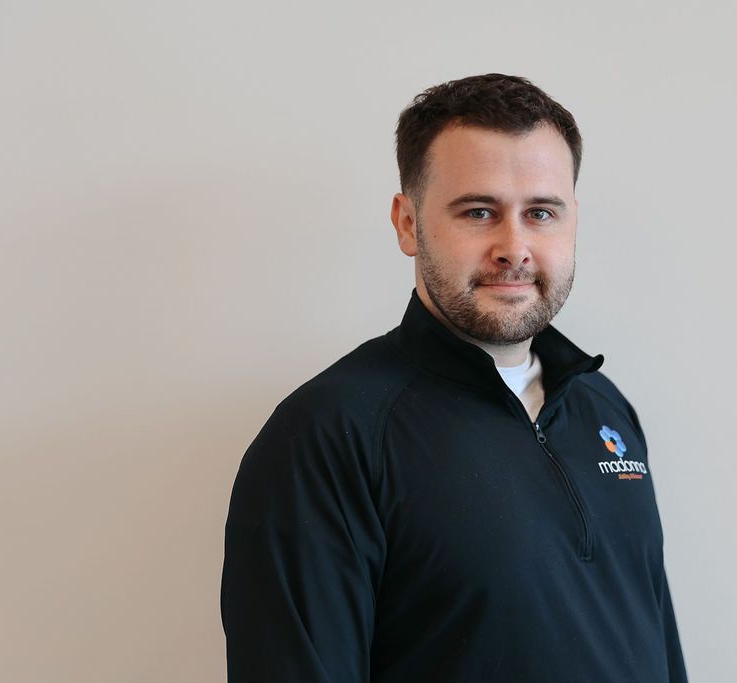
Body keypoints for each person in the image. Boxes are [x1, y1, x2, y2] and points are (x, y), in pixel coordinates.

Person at [221, 73, 687, 682]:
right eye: (478, 211)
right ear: (408, 224)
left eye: (541, 212)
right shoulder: (330, 435)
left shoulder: (603, 409)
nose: (514, 246)